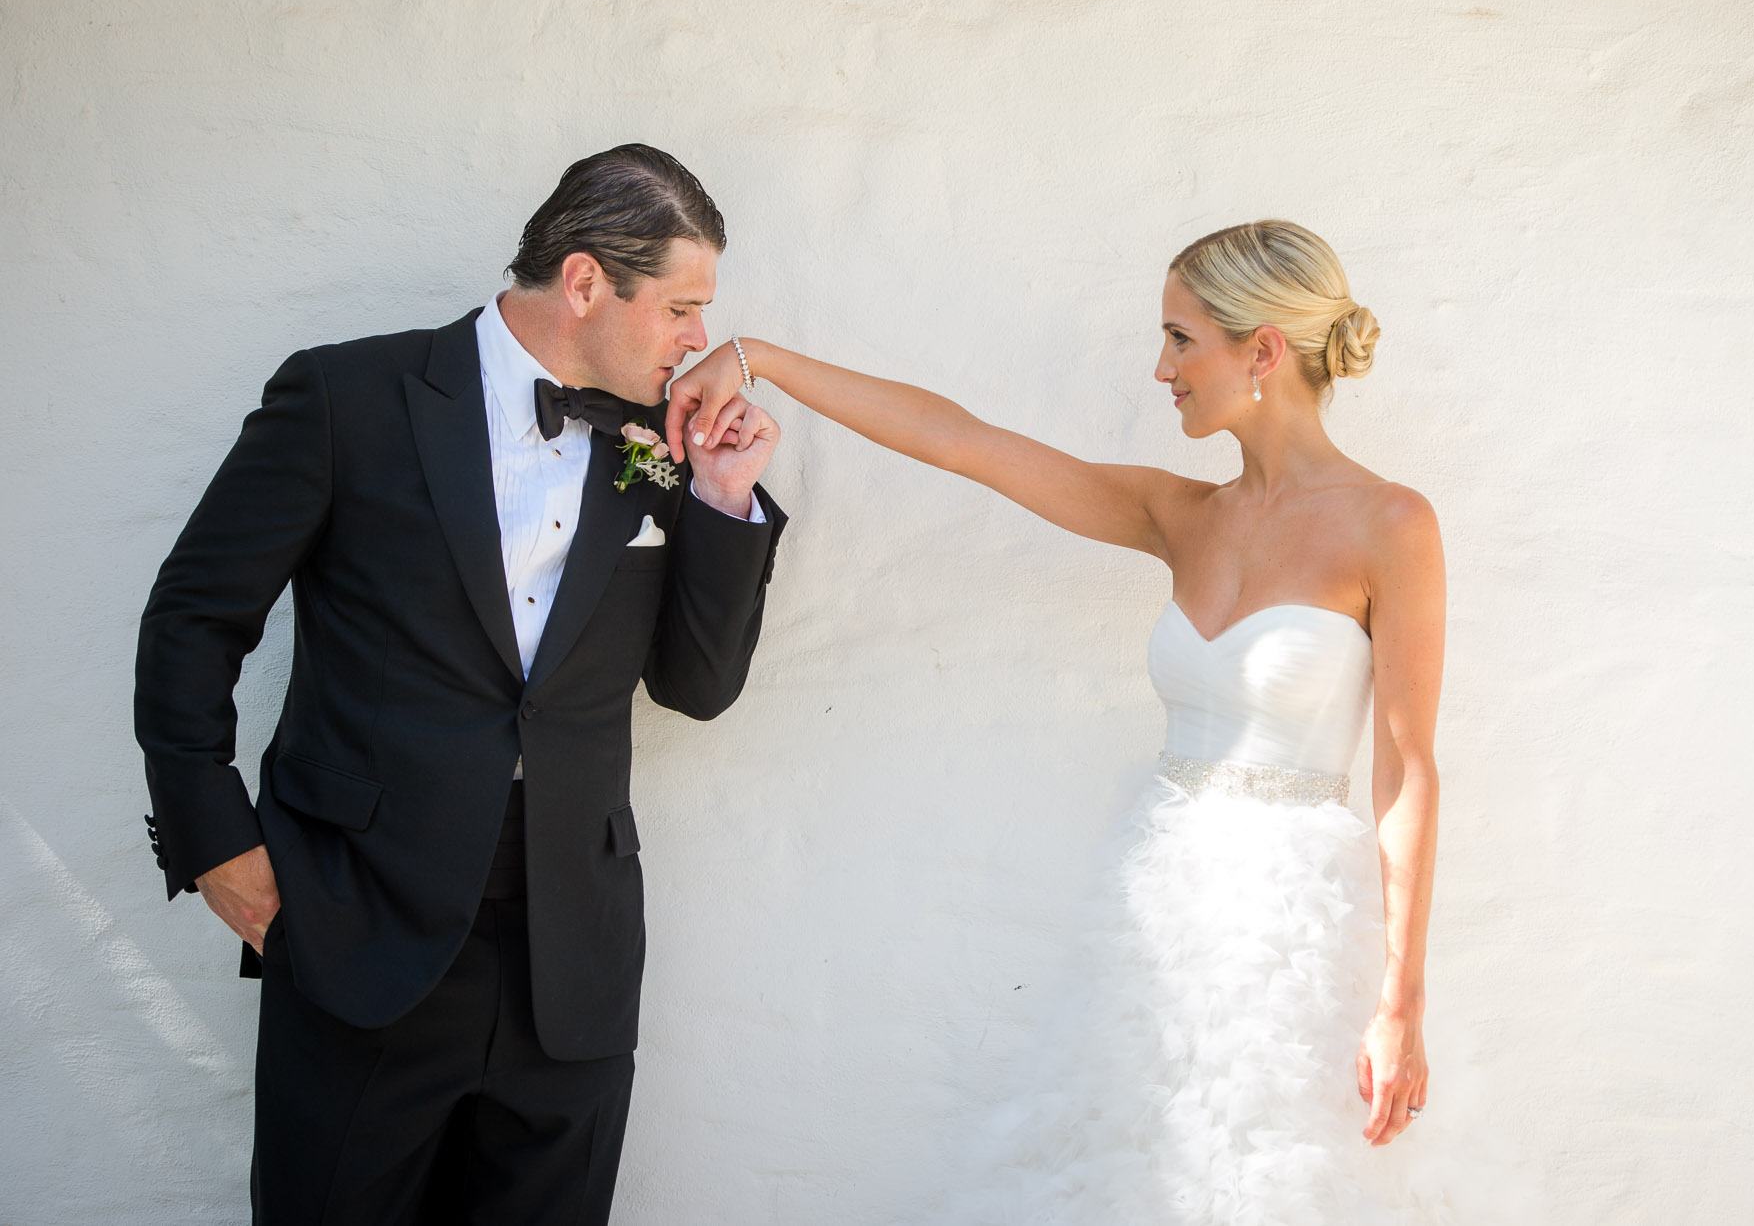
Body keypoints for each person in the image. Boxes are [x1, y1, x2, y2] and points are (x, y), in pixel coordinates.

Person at [668, 220, 1529, 1220]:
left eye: (1178, 338)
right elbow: (966, 442)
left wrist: (1399, 1000)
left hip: (1292, 924)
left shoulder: (1391, 524)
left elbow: (1407, 769)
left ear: (1260, 350)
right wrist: (757, 358)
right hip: (1160, 904)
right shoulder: (1180, 513)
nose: (1159, 368)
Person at [133, 143, 785, 1224]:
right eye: (681, 306)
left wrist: (720, 499)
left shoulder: (660, 444)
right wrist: (213, 839)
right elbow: (194, 616)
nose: (695, 340)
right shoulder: (345, 397)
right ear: (584, 282)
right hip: (358, 928)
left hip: (569, 958)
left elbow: (696, 686)